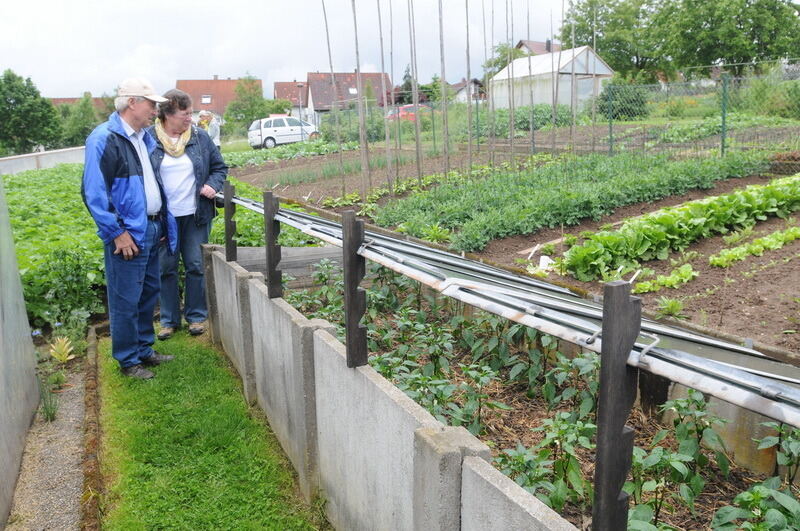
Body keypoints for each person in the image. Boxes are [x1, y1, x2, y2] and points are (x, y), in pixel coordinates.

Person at [82, 78, 177, 379]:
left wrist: (159, 221)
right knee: (126, 299)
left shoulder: (143, 138)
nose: (155, 110)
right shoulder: (104, 139)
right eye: (151, 104)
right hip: (127, 235)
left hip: (150, 228)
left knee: (149, 293)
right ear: (132, 102)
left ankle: (144, 349)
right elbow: (93, 193)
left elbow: (150, 184)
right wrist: (116, 233)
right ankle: (127, 360)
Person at [150, 89, 227, 340]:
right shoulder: (149, 139)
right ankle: (169, 320)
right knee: (166, 268)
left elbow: (219, 167)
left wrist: (213, 186)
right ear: (168, 115)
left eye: (190, 113)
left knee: (195, 264)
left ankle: (196, 316)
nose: (189, 118)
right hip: (164, 218)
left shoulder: (199, 137)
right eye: (185, 114)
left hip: (196, 214)